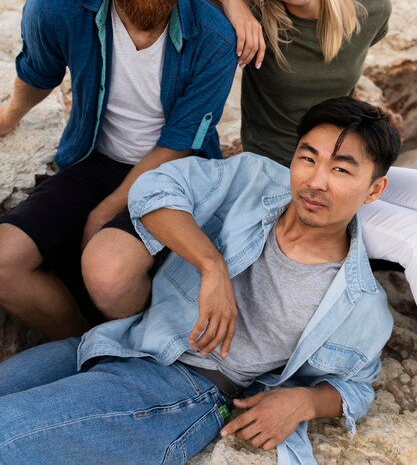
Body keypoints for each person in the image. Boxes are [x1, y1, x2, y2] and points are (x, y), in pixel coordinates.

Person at [0, 96, 400, 464]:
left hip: (186, 391)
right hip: (126, 339)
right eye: (307, 158)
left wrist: (305, 402)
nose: (316, 181)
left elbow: (357, 386)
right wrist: (212, 266)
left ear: (374, 190)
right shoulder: (254, 181)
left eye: (341, 169)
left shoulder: (360, 302)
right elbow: (156, 187)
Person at [0, 0, 240, 341]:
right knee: (3, 262)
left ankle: (133, 350)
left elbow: (179, 143)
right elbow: (37, 73)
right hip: (93, 159)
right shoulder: (56, 7)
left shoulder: (215, 37)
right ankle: (82, 349)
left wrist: (104, 211)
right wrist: (9, 115)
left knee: (107, 274)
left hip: (177, 172)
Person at [184, 0, 417, 303]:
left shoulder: (370, 9)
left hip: (345, 167)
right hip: (282, 178)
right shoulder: (258, 25)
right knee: (411, 239)